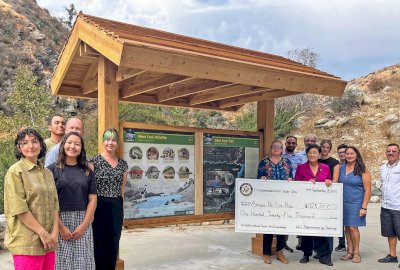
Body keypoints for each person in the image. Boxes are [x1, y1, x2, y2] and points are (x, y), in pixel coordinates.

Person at [4, 128, 59, 270]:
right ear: (19, 147)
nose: (31, 146)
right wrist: (43, 233)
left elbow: (55, 204)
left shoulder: (48, 173)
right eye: (25, 143)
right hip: (27, 242)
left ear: (41, 145)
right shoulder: (15, 172)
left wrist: (54, 233)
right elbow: (19, 208)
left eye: (35, 141)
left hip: (48, 243)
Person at [47, 131, 97, 269]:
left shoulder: (87, 171)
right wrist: (60, 227)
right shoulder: (51, 170)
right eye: (69, 143)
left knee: (82, 262)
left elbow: (93, 199)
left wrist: (84, 225)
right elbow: (49, 201)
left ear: (81, 148)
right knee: (61, 262)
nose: (72, 146)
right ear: (63, 145)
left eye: (77, 144)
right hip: (59, 220)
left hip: (83, 220)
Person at [89, 128, 129, 270]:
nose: (110, 142)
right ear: (103, 141)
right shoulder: (94, 161)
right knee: (98, 244)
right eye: (107, 139)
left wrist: (122, 212)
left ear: (117, 142)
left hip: (116, 207)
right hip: (99, 206)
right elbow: (90, 189)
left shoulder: (123, 165)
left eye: (113, 140)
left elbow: (122, 189)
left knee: (113, 244)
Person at [295, 144, 333, 266]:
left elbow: (329, 182)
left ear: (319, 154)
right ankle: (306, 253)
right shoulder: (301, 168)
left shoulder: (326, 167)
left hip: (322, 204)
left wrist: (329, 182)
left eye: (315, 153)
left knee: (322, 229)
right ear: (307, 155)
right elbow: (297, 184)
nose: (312, 155)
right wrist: (306, 183)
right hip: (305, 203)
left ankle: (324, 256)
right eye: (310, 153)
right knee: (306, 230)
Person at [257, 140, 292, 264]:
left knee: (282, 226)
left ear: (282, 150)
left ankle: (280, 252)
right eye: (274, 147)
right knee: (268, 226)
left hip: (283, 200)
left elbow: (291, 177)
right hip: (268, 200)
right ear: (271, 149)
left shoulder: (287, 162)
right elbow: (258, 178)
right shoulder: (264, 162)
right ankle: (266, 253)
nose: (276, 148)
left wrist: (290, 179)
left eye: (279, 147)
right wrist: (262, 178)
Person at [334, 146, 371, 263]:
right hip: (343, 202)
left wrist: (364, 207)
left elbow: (368, 190)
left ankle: (356, 253)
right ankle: (349, 252)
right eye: (347, 154)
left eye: (352, 154)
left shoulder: (363, 169)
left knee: (353, 227)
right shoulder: (341, 168)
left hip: (356, 202)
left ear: (356, 155)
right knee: (346, 228)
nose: (349, 156)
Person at [378, 143, 400, 265]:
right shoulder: (383, 168)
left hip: (398, 206)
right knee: (390, 232)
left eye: (394, 151)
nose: (391, 153)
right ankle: (392, 256)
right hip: (385, 206)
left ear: (399, 153)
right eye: (389, 151)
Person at [319, 139, 341, 253]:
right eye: (323, 147)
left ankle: (327, 251)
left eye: (327, 147)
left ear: (330, 149)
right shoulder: (314, 160)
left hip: (328, 195)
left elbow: (335, 181)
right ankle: (317, 250)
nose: (325, 149)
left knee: (328, 225)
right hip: (316, 196)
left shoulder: (334, 162)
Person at [282, 135, 302, 252]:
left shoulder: (299, 157)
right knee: (284, 215)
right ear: (285, 143)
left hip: (297, 190)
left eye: (293, 143)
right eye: (289, 143)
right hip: (284, 190)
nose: (291, 145)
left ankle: (301, 242)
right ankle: (283, 243)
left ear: (296, 145)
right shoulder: (280, 156)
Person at [334, 143, 348, 252]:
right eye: (340, 153)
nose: (342, 154)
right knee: (340, 222)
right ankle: (342, 244)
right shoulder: (337, 166)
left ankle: (351, 246)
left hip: (349, 198)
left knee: (350, 225)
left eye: (344, 152)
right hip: (338, 198)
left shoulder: (353, 166)